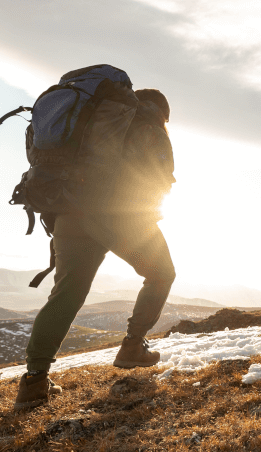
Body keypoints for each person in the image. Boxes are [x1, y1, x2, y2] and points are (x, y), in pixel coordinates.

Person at [14, 89, 177, 410]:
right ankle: (132, 347)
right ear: (161, 111)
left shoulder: (88, 126)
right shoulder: (148, 124)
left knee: (66, 293)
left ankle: (34, 381)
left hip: (68, 211)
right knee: (161, 274)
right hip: (119, 214)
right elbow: (160, 177)